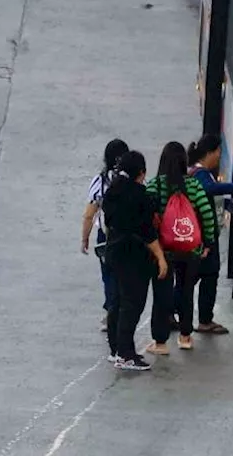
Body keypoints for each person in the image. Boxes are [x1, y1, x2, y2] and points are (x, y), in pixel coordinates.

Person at [145, 141, 216, 352]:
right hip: (189, 250)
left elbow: (145, 216)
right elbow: (207, 215)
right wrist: (208, 242)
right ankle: (185, 337)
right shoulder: (194, 186)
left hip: (163, 251)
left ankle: (160, 342)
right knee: (186, 292)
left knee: (162, 295)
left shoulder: (155, 185)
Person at [102, 150, 168, 371]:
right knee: (132, 305)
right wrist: (161, 258)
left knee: (117, 303)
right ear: (142, 172)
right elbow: (147, 233)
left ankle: (116, 350)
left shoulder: (113, 192)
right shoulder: (141, 197)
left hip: (114, 254)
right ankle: (126, 354)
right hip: (134, 258)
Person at [185, 134, 233, 335]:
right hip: (203, 234)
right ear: (210, 152)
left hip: (201, 233)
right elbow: (208, 190)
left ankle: (177, 312)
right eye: (218, 152)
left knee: (198, 275)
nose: (219, 157)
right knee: (205, 274)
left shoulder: (200, 172)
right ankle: (203, 320)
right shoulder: (200, 174)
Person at [80, 138, 128, 331]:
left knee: (108, 275)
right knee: (124, 276)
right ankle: (122, 312)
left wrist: (85, 238)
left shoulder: (100, 181)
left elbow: (89, 214)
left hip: (106, 236)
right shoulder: (133, 180)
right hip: (129, 235)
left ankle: (111, 311)